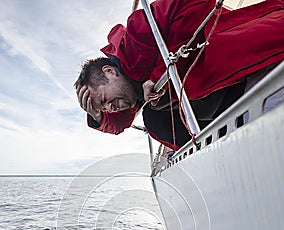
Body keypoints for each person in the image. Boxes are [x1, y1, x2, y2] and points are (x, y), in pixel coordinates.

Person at [75, 0, 284, 150]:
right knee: (153, 117)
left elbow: (188, 3)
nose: (109, 108)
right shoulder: (133, 89)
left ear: (109, 71)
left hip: (255, 61)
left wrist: (160, 75)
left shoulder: (134, 41)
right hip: (234, 91)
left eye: (104, 100)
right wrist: (97, 116)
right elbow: (122, 121)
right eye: (104, 107)